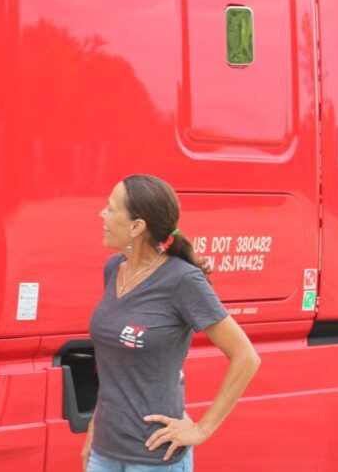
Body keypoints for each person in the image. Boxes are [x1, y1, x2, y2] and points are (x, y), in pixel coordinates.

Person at [83, 175, 261, 471]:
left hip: (155, 458)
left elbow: (246, 357)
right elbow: (115, 362)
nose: (102, 214)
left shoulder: (182, 280)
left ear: (136, 227)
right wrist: (93, 430)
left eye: (111, 208)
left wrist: (201, 430)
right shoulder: (114, 269)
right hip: (105, 453)